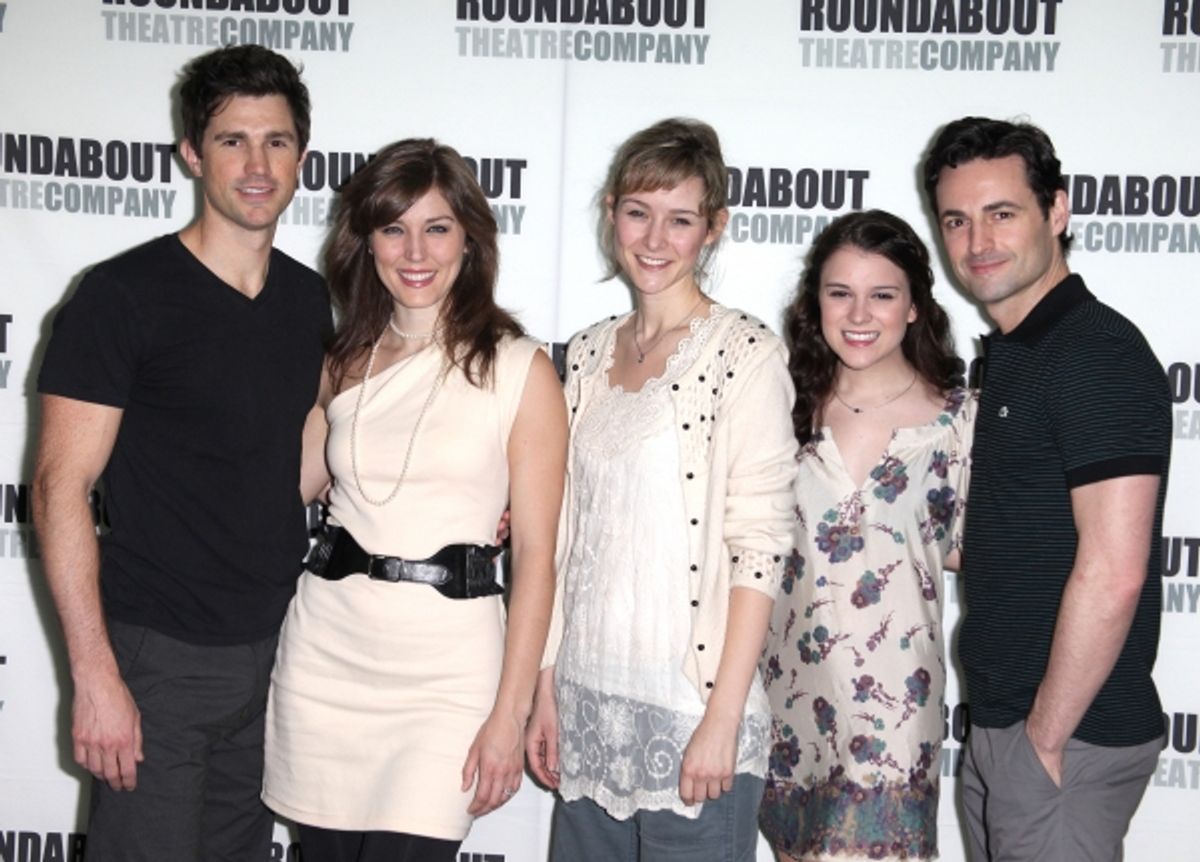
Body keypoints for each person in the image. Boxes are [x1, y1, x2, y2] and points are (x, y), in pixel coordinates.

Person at [32, 45, 328, 860]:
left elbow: (303, 470)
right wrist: (94, 678)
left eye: (276, 140)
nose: (257, 164)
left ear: (302, 154)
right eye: (232, 140)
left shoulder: (309, 302)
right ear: (193, 154)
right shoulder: (122, 297)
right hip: (156, 662)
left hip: (275, 655)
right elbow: (61, 487)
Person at [260, 138, 567, 862]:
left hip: (446, 675)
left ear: (469, 238)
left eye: (436, 227)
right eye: (393, 227)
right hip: (326, 658)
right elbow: (279, 492)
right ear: (365, 241)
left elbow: (538, 562)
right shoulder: (342, 361)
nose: (415, 251)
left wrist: (509, 712)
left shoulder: (520, 370)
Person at [524, 118, 799, 861]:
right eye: (639, 212)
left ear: (713, 229)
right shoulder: (582, 353)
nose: (654, 238)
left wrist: (720, 715)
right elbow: (561, 540)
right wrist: (546, 683)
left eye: (680, 220)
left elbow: (761, 547)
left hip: (690, 717)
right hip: (587, 709)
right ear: (612, 211)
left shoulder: (743, 352)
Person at [922, 116, 1171, 861]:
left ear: (1056, 212)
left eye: (1002, 214)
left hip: (1066, 741)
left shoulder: (1095, 353)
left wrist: (1044, 740)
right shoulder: (1012, 357)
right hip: (1005, 729)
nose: (978, 242)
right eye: (957, 220)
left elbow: (1115, 571)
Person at [758, 209, 974, 861]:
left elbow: (987, 558)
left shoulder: (959, 425)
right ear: (814, 301)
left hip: (897, 720)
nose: (859, 315)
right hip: (781, 708)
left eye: (882, 295)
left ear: (914, 307)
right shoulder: (775, 411)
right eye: (839, 293)